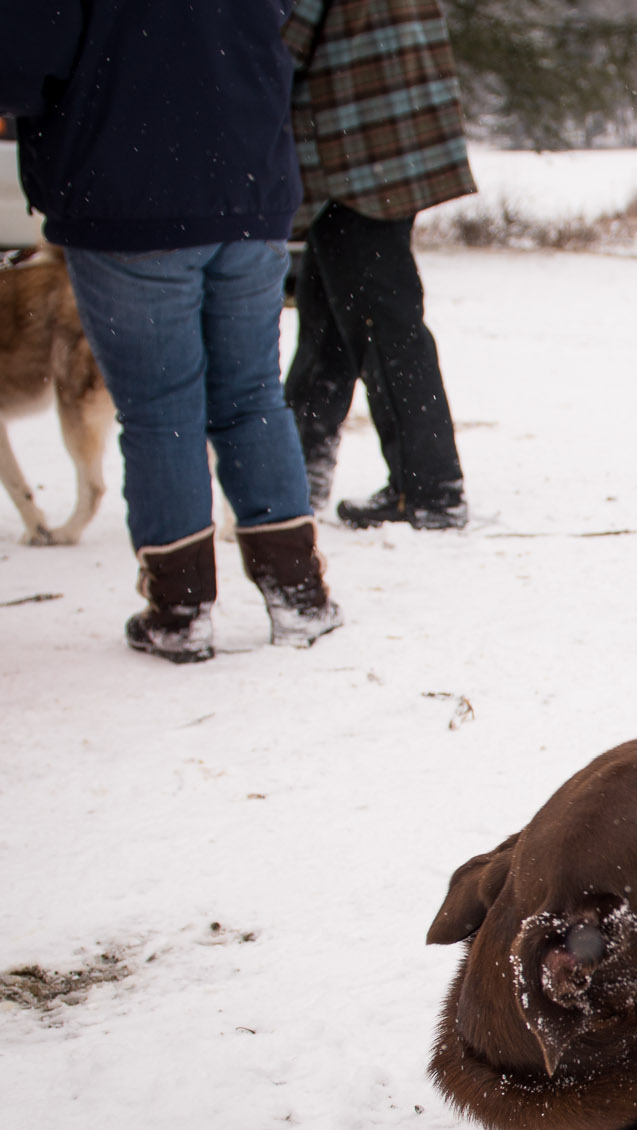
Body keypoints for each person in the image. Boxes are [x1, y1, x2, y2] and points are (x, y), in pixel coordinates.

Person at [2, 0, 341, 664]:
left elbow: (24, 63)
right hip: (249, 188)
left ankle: (181, 609)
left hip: (128, 196)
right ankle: (298, 591)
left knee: (163, 410)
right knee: (251, 397)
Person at [283, 0, 477, 531]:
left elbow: (283, 35)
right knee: (329, 319)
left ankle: (429, 489)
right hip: (385, 131)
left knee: (382, 322)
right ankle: (295, 474)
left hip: (355, 143)